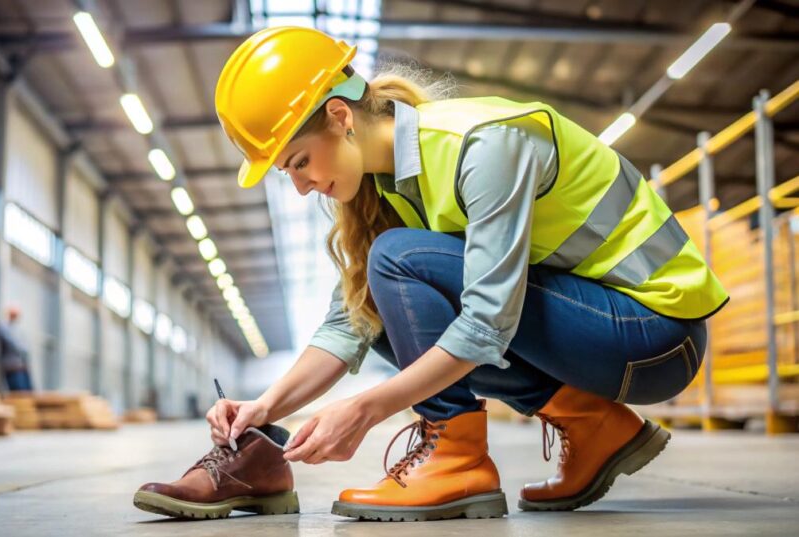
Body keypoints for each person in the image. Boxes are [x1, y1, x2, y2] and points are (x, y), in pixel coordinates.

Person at [207, 26, 729, 520]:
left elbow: (486, 325)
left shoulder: (482, 145)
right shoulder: (388, 185)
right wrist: (264, 407)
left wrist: (364, 409)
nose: (300, 187)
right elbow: (351, 322)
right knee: (380, 303)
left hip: (656, 335)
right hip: (599, 330)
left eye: (300, 162)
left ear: (340, 115)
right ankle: (590, 423)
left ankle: (456, 458)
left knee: (394, 259)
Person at [0, 306, 33, 392]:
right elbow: (14, 344)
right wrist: (23, 348)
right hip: (12, 367)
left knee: (28, 392)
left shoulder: (18, 328)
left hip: (22, 366)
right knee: (18, 392)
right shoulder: (4, 327)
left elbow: (26, 346)